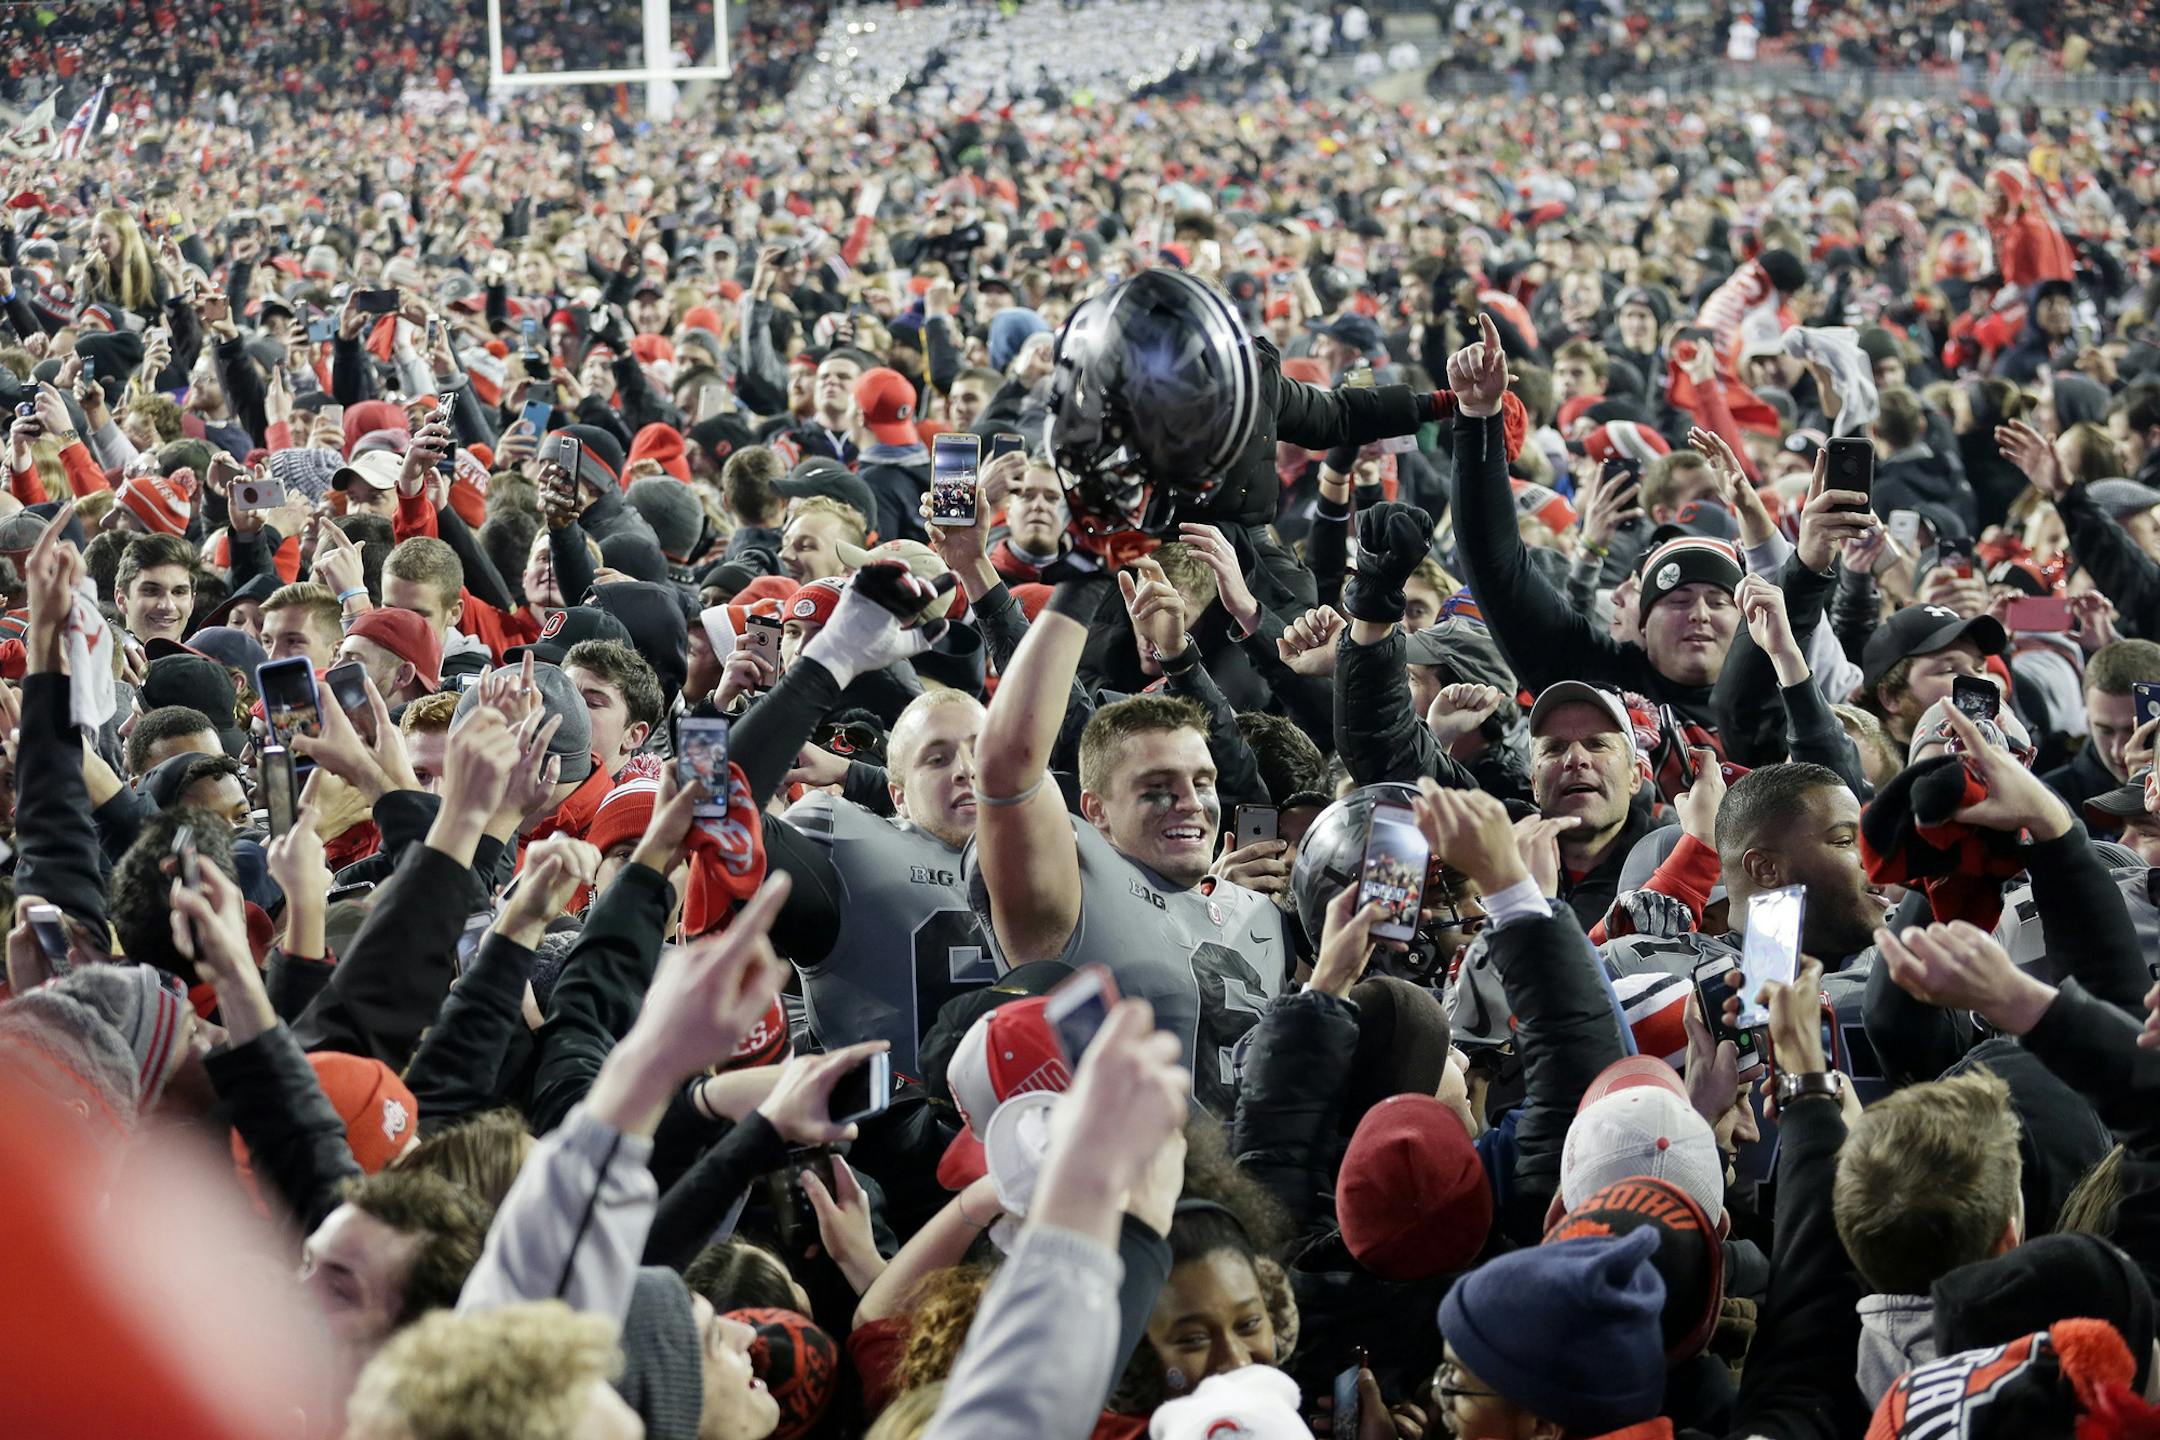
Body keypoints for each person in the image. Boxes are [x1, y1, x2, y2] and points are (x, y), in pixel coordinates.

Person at [972, 565, 1289, 1116]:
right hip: (1115, 1187)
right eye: (1158, 788)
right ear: (1096, 811)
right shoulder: (1075, 888)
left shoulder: (1258, 909)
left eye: (1202, 783)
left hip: (1250, 1187)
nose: (1191, 801)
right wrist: (1082, 571)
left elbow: (1240, 772)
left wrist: (1182, 658)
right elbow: (1010, 768)